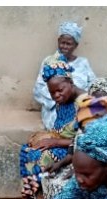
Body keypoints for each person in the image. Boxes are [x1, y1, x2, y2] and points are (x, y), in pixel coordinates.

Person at [20, 54, 85, 182]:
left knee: (41, 156)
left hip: (76, 150)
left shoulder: (85, 103)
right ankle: (31, 194)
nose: (56, 95)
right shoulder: (63, 101)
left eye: (60, 90)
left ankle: (30, 197)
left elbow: (87, 141)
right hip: (62, 144)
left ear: (71, 82)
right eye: (52, 93)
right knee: (27, 149)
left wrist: (55, 142)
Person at [33, 21, 95, 130]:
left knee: (87, 121)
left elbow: (93, 84)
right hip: (55, 107)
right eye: (62, 43)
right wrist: (59, 99)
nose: (64, 47)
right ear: (58, 41)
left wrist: (80, 98)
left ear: (76, 45)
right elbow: (39, 88)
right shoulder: (48, 61)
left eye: (69, 44)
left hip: (79, 104)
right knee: (63, 126)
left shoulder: (83, 62)